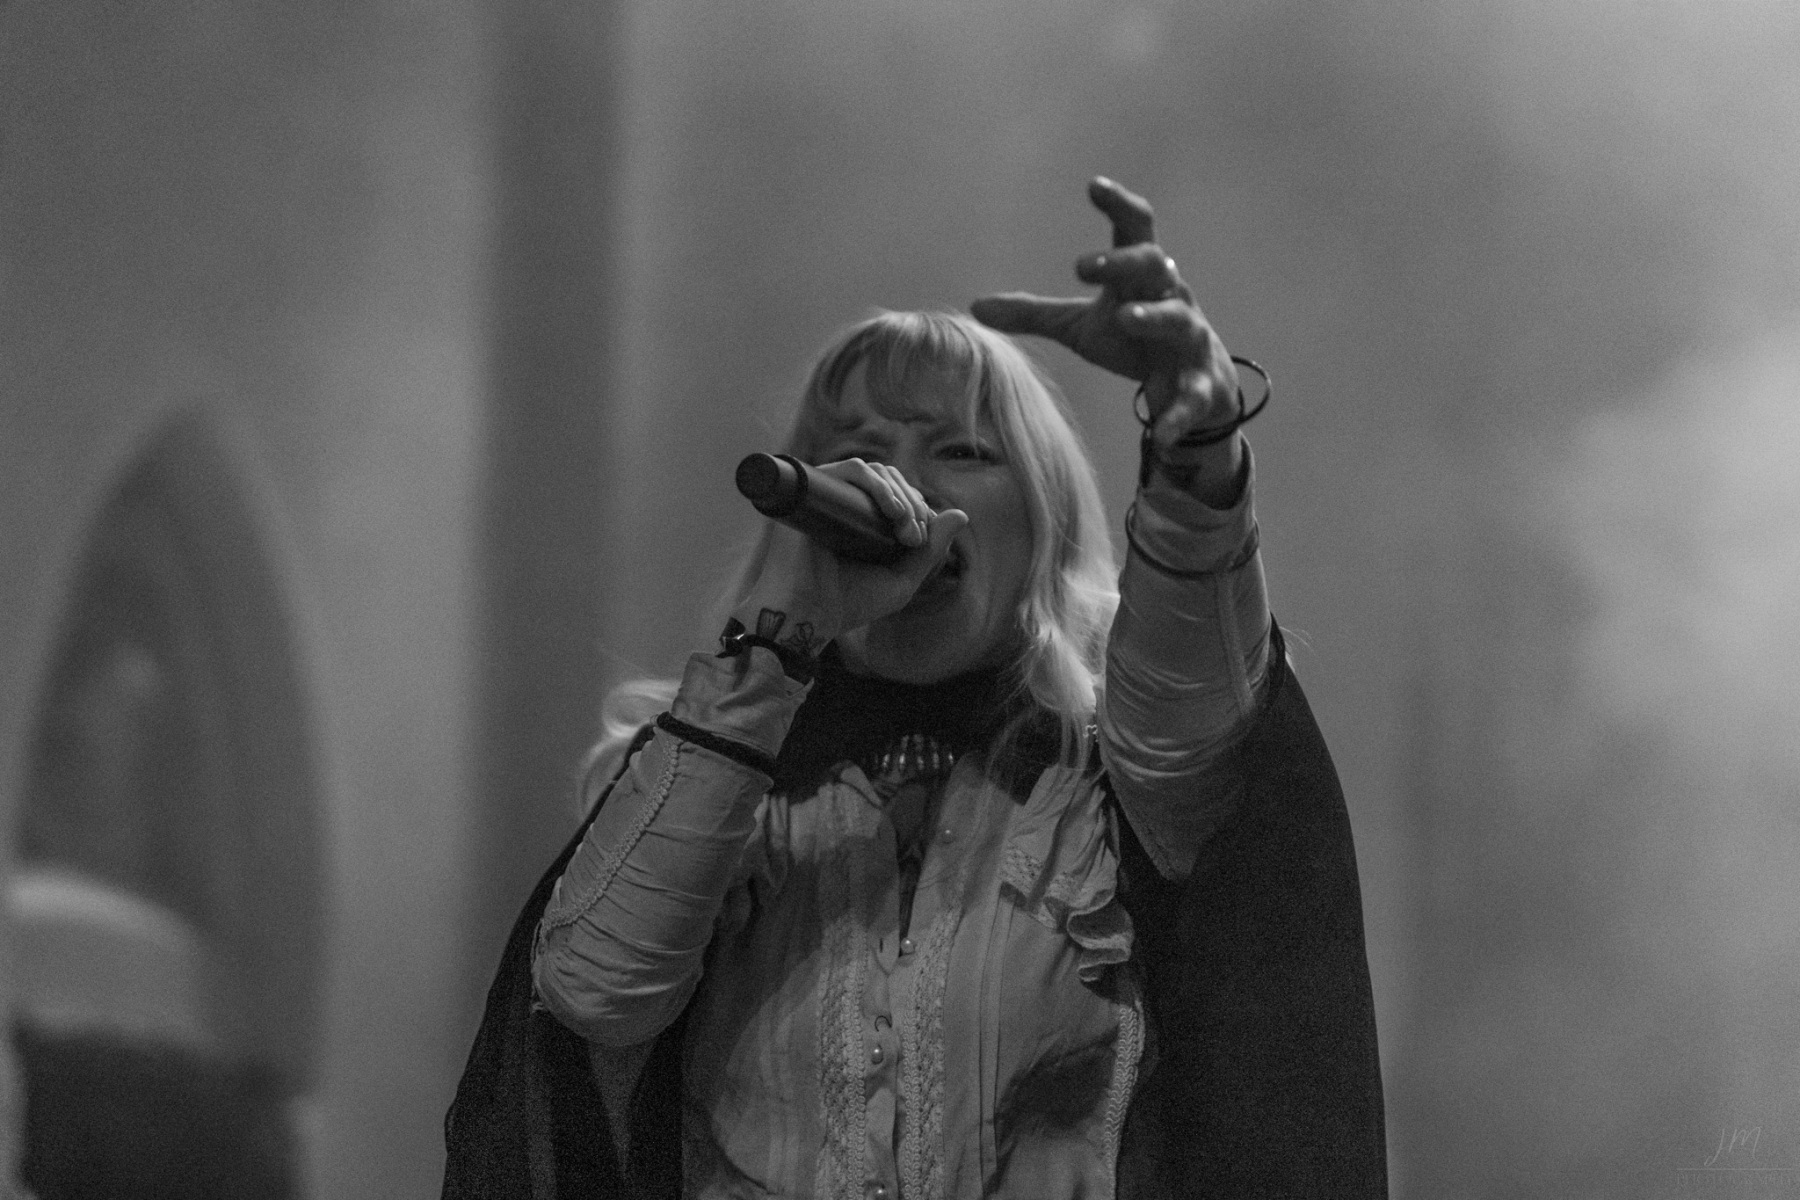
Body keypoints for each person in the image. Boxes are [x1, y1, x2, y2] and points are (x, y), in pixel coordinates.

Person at [443, 179, 1386, 1199]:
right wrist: (772, 641)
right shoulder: (708, 779)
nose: (905, 486)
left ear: (1043, 517)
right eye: (860, 453)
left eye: (961, 451)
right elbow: (591, 997)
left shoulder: (1112, 791)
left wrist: (1197, 446)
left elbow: (1189, 703)